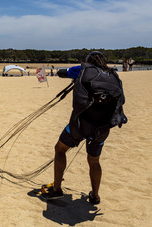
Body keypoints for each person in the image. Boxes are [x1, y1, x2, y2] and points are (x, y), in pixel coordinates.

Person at [40, 51, 127, 204]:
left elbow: (62, 72)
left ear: (88, 60)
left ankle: (57, 190)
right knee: (94, 161)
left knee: (60, 150)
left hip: (79, 125)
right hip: (101, 128)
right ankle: (95, 195)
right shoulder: (113, 76)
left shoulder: (82, 69)